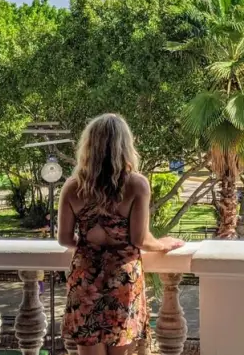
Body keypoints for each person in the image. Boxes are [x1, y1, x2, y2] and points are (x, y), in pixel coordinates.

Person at [58, 114, 185, 355]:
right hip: (122, 278)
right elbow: (140, 239)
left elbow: (64, 239)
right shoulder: (136, 185)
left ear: (89, 146)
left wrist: (89, 249)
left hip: (86, 277)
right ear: (125, 146)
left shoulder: (73, 186)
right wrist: (163, 244)